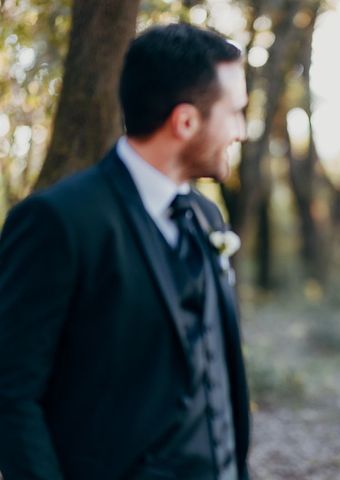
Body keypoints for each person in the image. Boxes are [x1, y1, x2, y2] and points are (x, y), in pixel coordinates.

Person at [0, 23, 250, 479]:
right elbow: (12, 396)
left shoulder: (207, 219)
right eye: (234, 113)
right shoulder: (58, 222)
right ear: (186, 121)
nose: (241, 131)